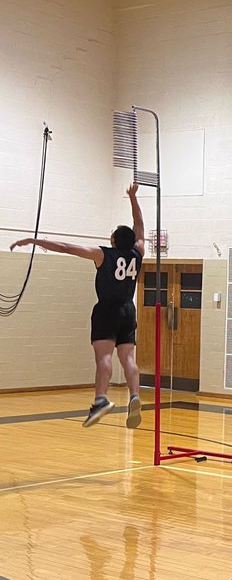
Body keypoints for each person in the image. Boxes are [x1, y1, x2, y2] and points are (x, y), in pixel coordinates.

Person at [10, 183, 146, 428]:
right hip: (128, 309)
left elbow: (66, 248)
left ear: (113, 240)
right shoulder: (138, 252)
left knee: (104, 356)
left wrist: (34, 240)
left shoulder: (103, 254)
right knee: (128, 358)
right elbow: (140, 226)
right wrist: (133, 199)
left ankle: (101, 399)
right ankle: (135, 395)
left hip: (107, 310)